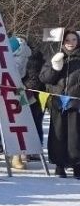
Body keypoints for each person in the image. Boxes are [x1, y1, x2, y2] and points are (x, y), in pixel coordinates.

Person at [40, 30, 80, 177]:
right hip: (58, 103)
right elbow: (45, 78)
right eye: (68, 40)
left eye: (74, 40)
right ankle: (59, 165)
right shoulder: (54, 56)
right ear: (63, 42)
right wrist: (55, 66)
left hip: (76, 104)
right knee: (58, 135)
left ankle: (77, 165)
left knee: (75, 136)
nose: (71, 43)